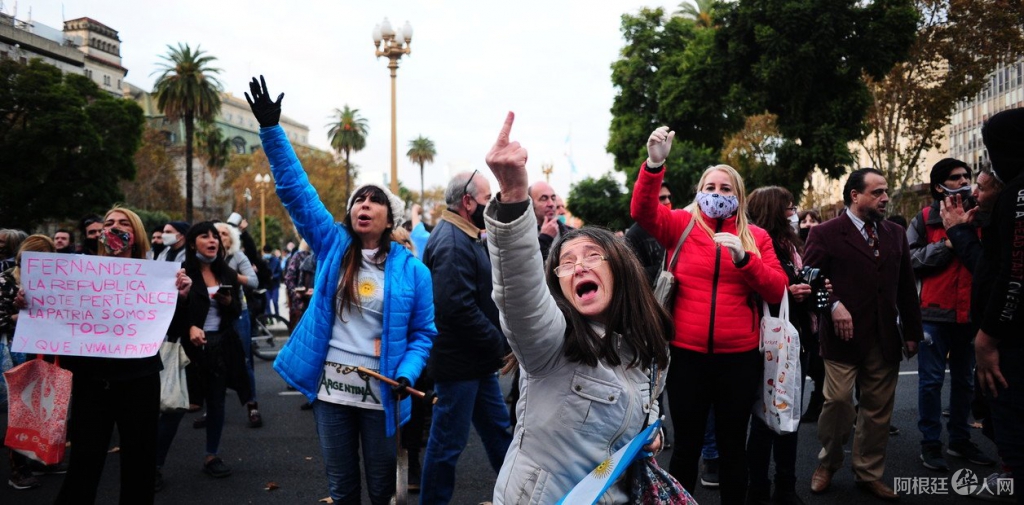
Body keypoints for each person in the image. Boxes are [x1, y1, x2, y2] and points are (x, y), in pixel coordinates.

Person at [247, 75, 436, 504]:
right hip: (331, 389)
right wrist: (272, 130)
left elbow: (423, 334)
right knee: (342, 488)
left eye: (374, 200)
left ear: (391, 218)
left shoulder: (415, 272)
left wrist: (407, 373)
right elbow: (296, 192)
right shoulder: (332, 244)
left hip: (383, 390)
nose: (363, 205)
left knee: (382, 489)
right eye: (358, 200)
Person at [482, 112, 670, 503]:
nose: (579, 266)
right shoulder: (549, 344)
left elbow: (645, 407)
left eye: (592, 255)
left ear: (621, 269)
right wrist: (514, 196)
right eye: (566, 262)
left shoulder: (650, 347)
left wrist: (651, 434)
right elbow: (519, 291)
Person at [631, 126, 788, 505]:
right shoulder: (680, 225)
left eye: (726, 189)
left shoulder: (757, 237)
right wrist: (654, 165)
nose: (717, 194)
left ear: (739, 196)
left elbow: (777, 288)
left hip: (739, 359)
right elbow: (642, 211)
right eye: (710, 187)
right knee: (686, 446)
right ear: (699, 192)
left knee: (733, 446)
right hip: (687, 357)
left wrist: (745, 259)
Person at [55, 206, 192, 505]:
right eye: (109, 223)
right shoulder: (80, 272)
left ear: (136, 233)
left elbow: (172, 330)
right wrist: (31, 303)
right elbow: (59, 320)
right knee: (84, 462)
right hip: (93, 381)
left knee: (139, 462)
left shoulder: (158, 276)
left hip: (139, 380)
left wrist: (181, 299)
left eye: (123, 223)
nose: (115, 227)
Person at [804, 168, 923, 501]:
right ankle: (828, 462)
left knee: (877, 411)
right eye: (877, 192)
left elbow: (906, 286)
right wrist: (833, 305)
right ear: (855, 195)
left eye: (885, 191)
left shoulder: (895, 233)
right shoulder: (825, 233)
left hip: (885, 337)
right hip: (842, 338)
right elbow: (808, 282)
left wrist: (912, 332)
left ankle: (869, 473)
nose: (885, 198)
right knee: (839, 403)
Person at [420, 170, 513, 505]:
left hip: (475, 362)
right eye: (488, 200)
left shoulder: (462, 235)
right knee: (447, 445)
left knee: (499, 434)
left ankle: (519, 496)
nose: (492, 206)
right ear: (468, 202)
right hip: (459, 365)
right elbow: (456, 308)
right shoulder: (452, 242)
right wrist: (499, 343)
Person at [907, 158, 995, 471]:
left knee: (965, 382)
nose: (964, 182)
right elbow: (909, 261)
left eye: (967, 176)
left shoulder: (983, 216)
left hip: (970, 315)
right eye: (956, 178)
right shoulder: (925, 218)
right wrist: (947, 244)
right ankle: (930, 444)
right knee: (930, 382)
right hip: (933, 314)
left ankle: (960, 440)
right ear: (938, 186)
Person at [746, 186, 818, 505]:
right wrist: (790, 292)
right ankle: (760, 488)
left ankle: (785, 486)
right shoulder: (758, 245)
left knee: (788, 415)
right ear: (774, 211)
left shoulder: (790, 245)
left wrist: (810, 288)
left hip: (792, 340)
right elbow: (759, 288)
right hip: (769, 342)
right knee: (766, 419)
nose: (795, 214)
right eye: (790, 208)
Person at [974, 108, 1024, 504]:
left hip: (1013, 337)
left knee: (1009, 412)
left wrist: (988, 336)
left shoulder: (1017, 194)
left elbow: (1014, 272)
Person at [0, 234, 55, 490]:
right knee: (19, 412)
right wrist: (25, 315)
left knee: (40, 409)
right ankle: (18, 469)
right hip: (16, 354)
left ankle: (36, 459)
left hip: (42, 352)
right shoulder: (6, 280)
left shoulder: (53, 282)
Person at [215, 222, 263, 428]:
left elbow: (253, 282)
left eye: (224, 234)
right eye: (215, 233)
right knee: (214, 363)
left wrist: (229, 274)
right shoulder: (203, 259)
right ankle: (213, 409)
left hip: (237, 313)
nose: (219, 237)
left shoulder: (237, 257)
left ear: (232, 239)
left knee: (244, 361)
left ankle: (252, 406)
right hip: (212, 314)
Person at [625, 181, 674, 286]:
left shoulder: (673, 226)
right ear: (648, 202)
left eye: (669, 197)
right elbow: (632, 275)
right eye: (662, 198)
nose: (667, 201)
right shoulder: (634, 235)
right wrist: (668, 267)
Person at [529, 181, 573, 260]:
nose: (551, 204)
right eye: (544, 199)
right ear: (531, 204)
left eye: (553, 198)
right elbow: (526, 264)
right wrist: (545, 238)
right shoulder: (521, 236)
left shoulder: (572, 234)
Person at [263, 245, 283, 316]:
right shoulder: (262, 261)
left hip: (275, 285)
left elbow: (280, 272)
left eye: (268, 252)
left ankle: (277, 315)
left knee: (275, 301)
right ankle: (269, 317)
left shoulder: (276, 261)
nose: (267, 254)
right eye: (266, 252)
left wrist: (273, 276)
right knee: (267, 303)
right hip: (266, 285)